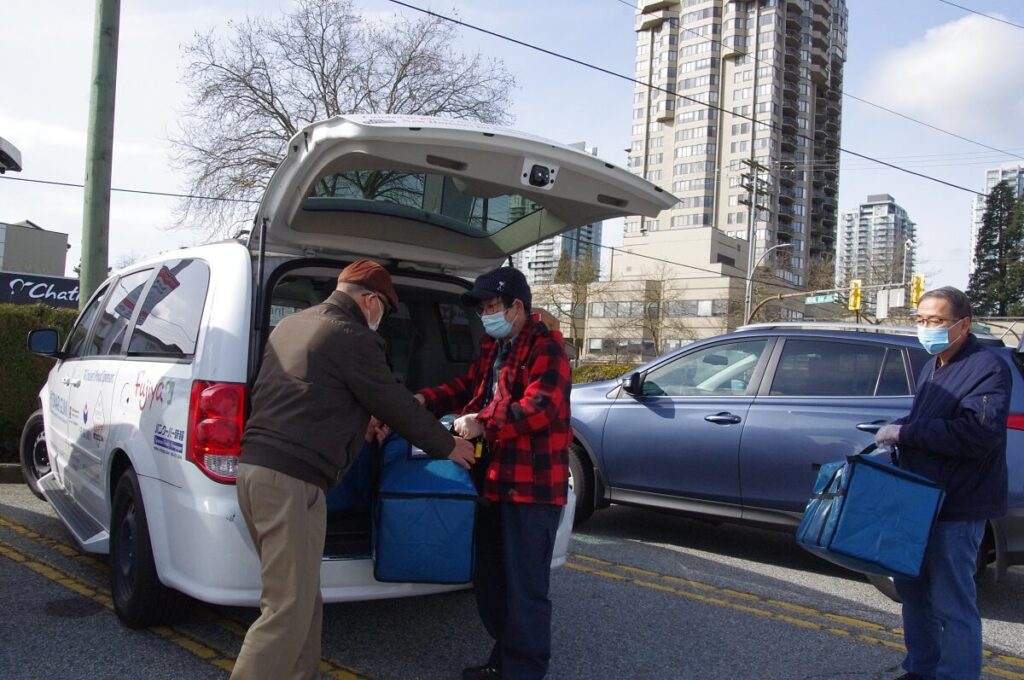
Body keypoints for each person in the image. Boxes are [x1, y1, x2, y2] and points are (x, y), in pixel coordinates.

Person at [232, 259, 476, 680]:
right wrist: (447, 445)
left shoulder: (291, 326)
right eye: (384, 307)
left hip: (257, 472)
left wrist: (355, 422)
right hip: (292, 482)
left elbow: (300, 394)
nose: (381, 318)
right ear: (368, 300)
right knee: (286, 609)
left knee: (304, 600)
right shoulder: (350, 334)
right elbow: (393, 401)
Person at [415, 266, 572, 680]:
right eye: (482, 308)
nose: (486, 314)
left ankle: (522, 672)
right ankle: (503, 661)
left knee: (526, 593)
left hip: (533, 489)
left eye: (491, 306)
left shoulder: (547, 346)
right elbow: (468, 389)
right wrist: (419, 400)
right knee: (492, 583)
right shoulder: (494, 346)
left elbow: (541, 405)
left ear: (516, 306)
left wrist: (484, 421)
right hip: (495, 483)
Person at [875, 286, 1010, 680]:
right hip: (918, 501)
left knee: (953, 605)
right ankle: (921, 669)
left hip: (957, 505)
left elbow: (977, 434)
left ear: (963, 324)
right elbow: (927, 422)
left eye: (935, 321)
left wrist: (908, 434)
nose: (925, 328)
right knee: (913, 597)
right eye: (920, 320)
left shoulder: (987, 367)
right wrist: (902, 429)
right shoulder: (932, 364)